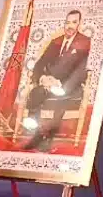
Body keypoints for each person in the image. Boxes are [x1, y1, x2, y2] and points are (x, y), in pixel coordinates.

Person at [22, 9, 90, 152]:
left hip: (70, 86)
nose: (69, 26)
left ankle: (48, 138)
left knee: (61, 97)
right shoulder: (56, 42)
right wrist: (43, 78)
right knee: (35, 93)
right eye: (67, 22)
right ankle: (36, 135)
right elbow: (39, 64)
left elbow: (81, 71)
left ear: (79, 24)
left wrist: (61, 85)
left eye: (74, 22)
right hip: (49, 83)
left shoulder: (85, 42)